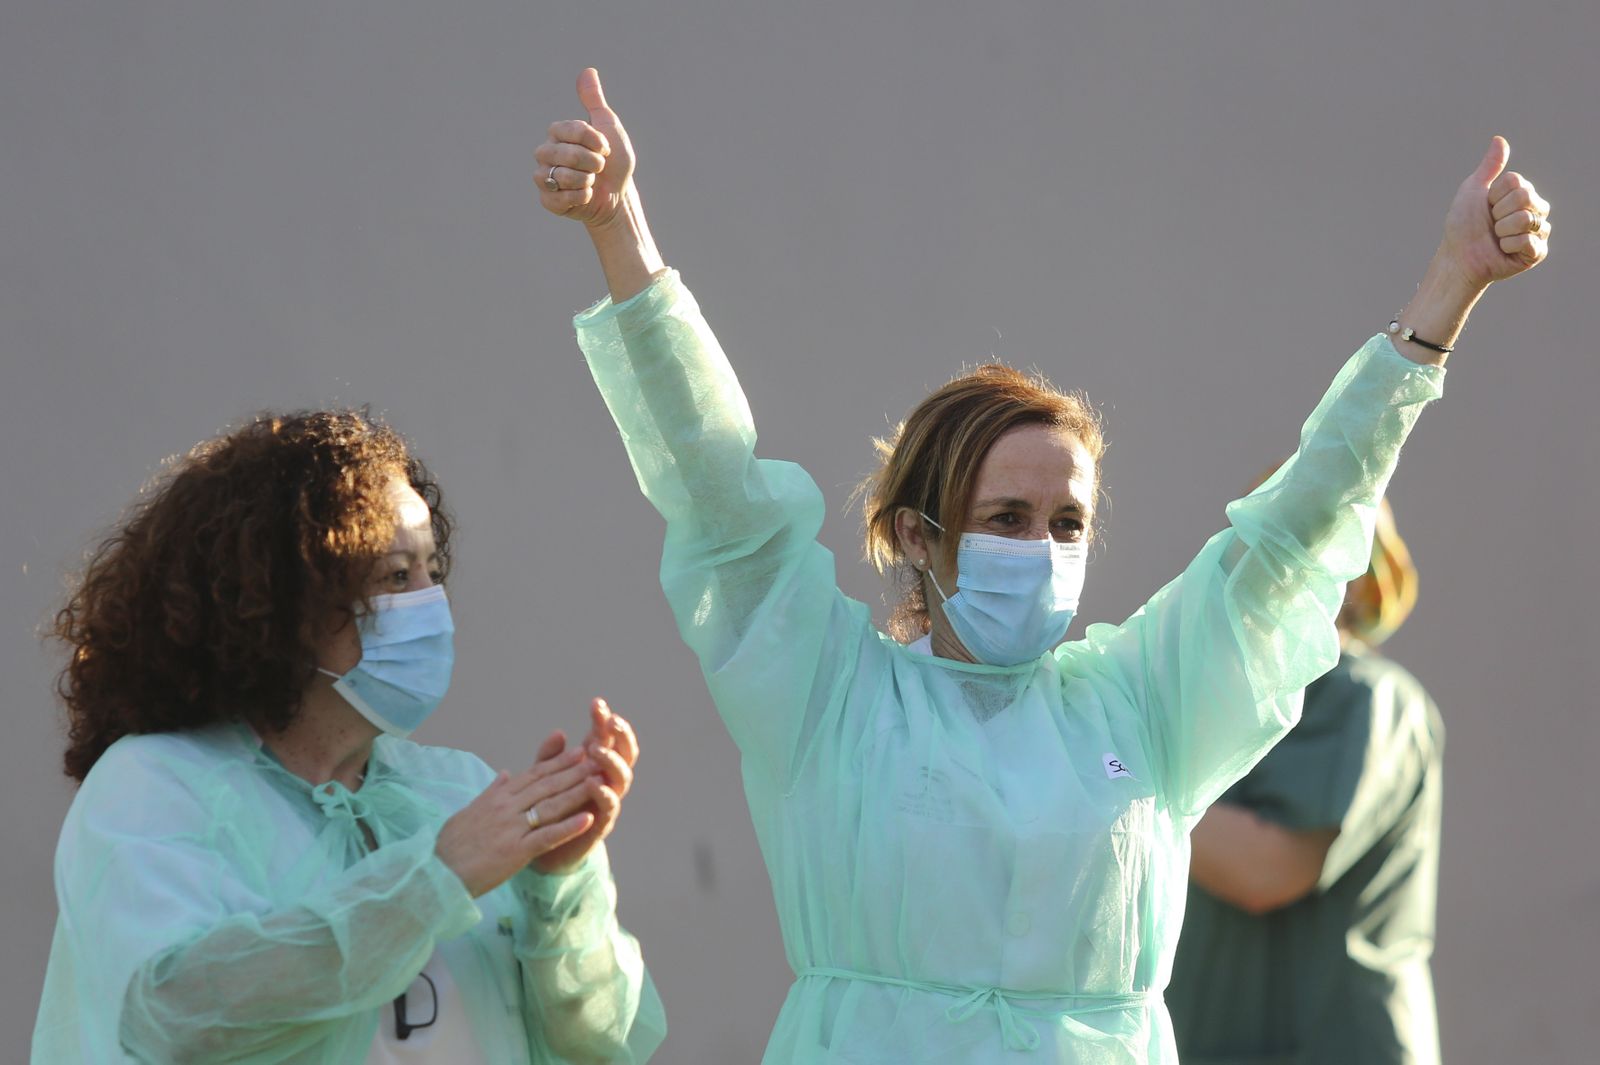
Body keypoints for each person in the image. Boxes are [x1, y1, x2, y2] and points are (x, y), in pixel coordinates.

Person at [539, 65, 1549, 1063]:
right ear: (917, 536)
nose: (1042, 548)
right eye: (1006, 517)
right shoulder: (828, 695)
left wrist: (1447, 291)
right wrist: (619, 228)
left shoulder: (1139, 705)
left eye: (1067, 522)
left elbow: (1295, 529)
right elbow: (716, 491)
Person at [31, 410, 665, 1063]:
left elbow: (597, 1045)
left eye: (432, 569)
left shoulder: (459, 789)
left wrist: (559, 883)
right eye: (396, 576)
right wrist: (438, 876)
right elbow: (178, 1014)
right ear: (277, 601)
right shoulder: (153, 787)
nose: (432, 603)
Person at [1167, 497, 1444, 1064]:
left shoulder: (1366, 698)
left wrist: (1127, 786)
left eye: (1295, 547)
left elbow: (1268, 870)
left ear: (1359, 577)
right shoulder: (1229, 702)